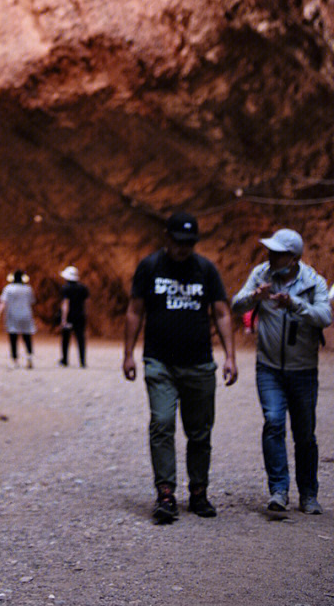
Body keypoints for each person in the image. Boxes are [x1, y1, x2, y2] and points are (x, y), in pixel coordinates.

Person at [123, 210, 238, 523]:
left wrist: (230, 355)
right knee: (161, 423)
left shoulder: (205, 269)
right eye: (178, 241)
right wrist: (128, 353)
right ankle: (165, 493)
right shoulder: (149, 267)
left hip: (199, 364)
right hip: (160, 362)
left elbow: (222, 312)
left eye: (189, 242)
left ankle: (198, 492)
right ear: (167, 238)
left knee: (199, 432)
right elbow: (135, 310)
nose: (183, 247)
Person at [230, 227, 331, 515]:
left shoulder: (313, 282)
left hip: (303, 370)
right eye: (270, 251)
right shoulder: (261, 274)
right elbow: (237, 305)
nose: (270, 256)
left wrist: (294, 303)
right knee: (273, 423)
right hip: (269, 367)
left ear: (293, 257)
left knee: (304, 434)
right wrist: (254, 297)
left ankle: (309, 494)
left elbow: (324, 317)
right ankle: (278, 491)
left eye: (277, 252)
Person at [0, 270, 36, 368]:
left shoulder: (8, 288)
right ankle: (29, 357)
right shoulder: (28, 288)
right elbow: (32, 301)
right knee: (27, 336)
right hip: (26, 315)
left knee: (13, 337)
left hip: (12, 315)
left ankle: (15, 360)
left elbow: (3, 302)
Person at [58, 266, 89, 367]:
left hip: (70, 316)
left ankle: (65, 360)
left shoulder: (65, 288)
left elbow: (65, 304)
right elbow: (87, 303)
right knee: (80, 338)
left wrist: (63, 319)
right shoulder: (83, 288)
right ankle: (82, 361)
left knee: (66, 338)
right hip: (80, 315)